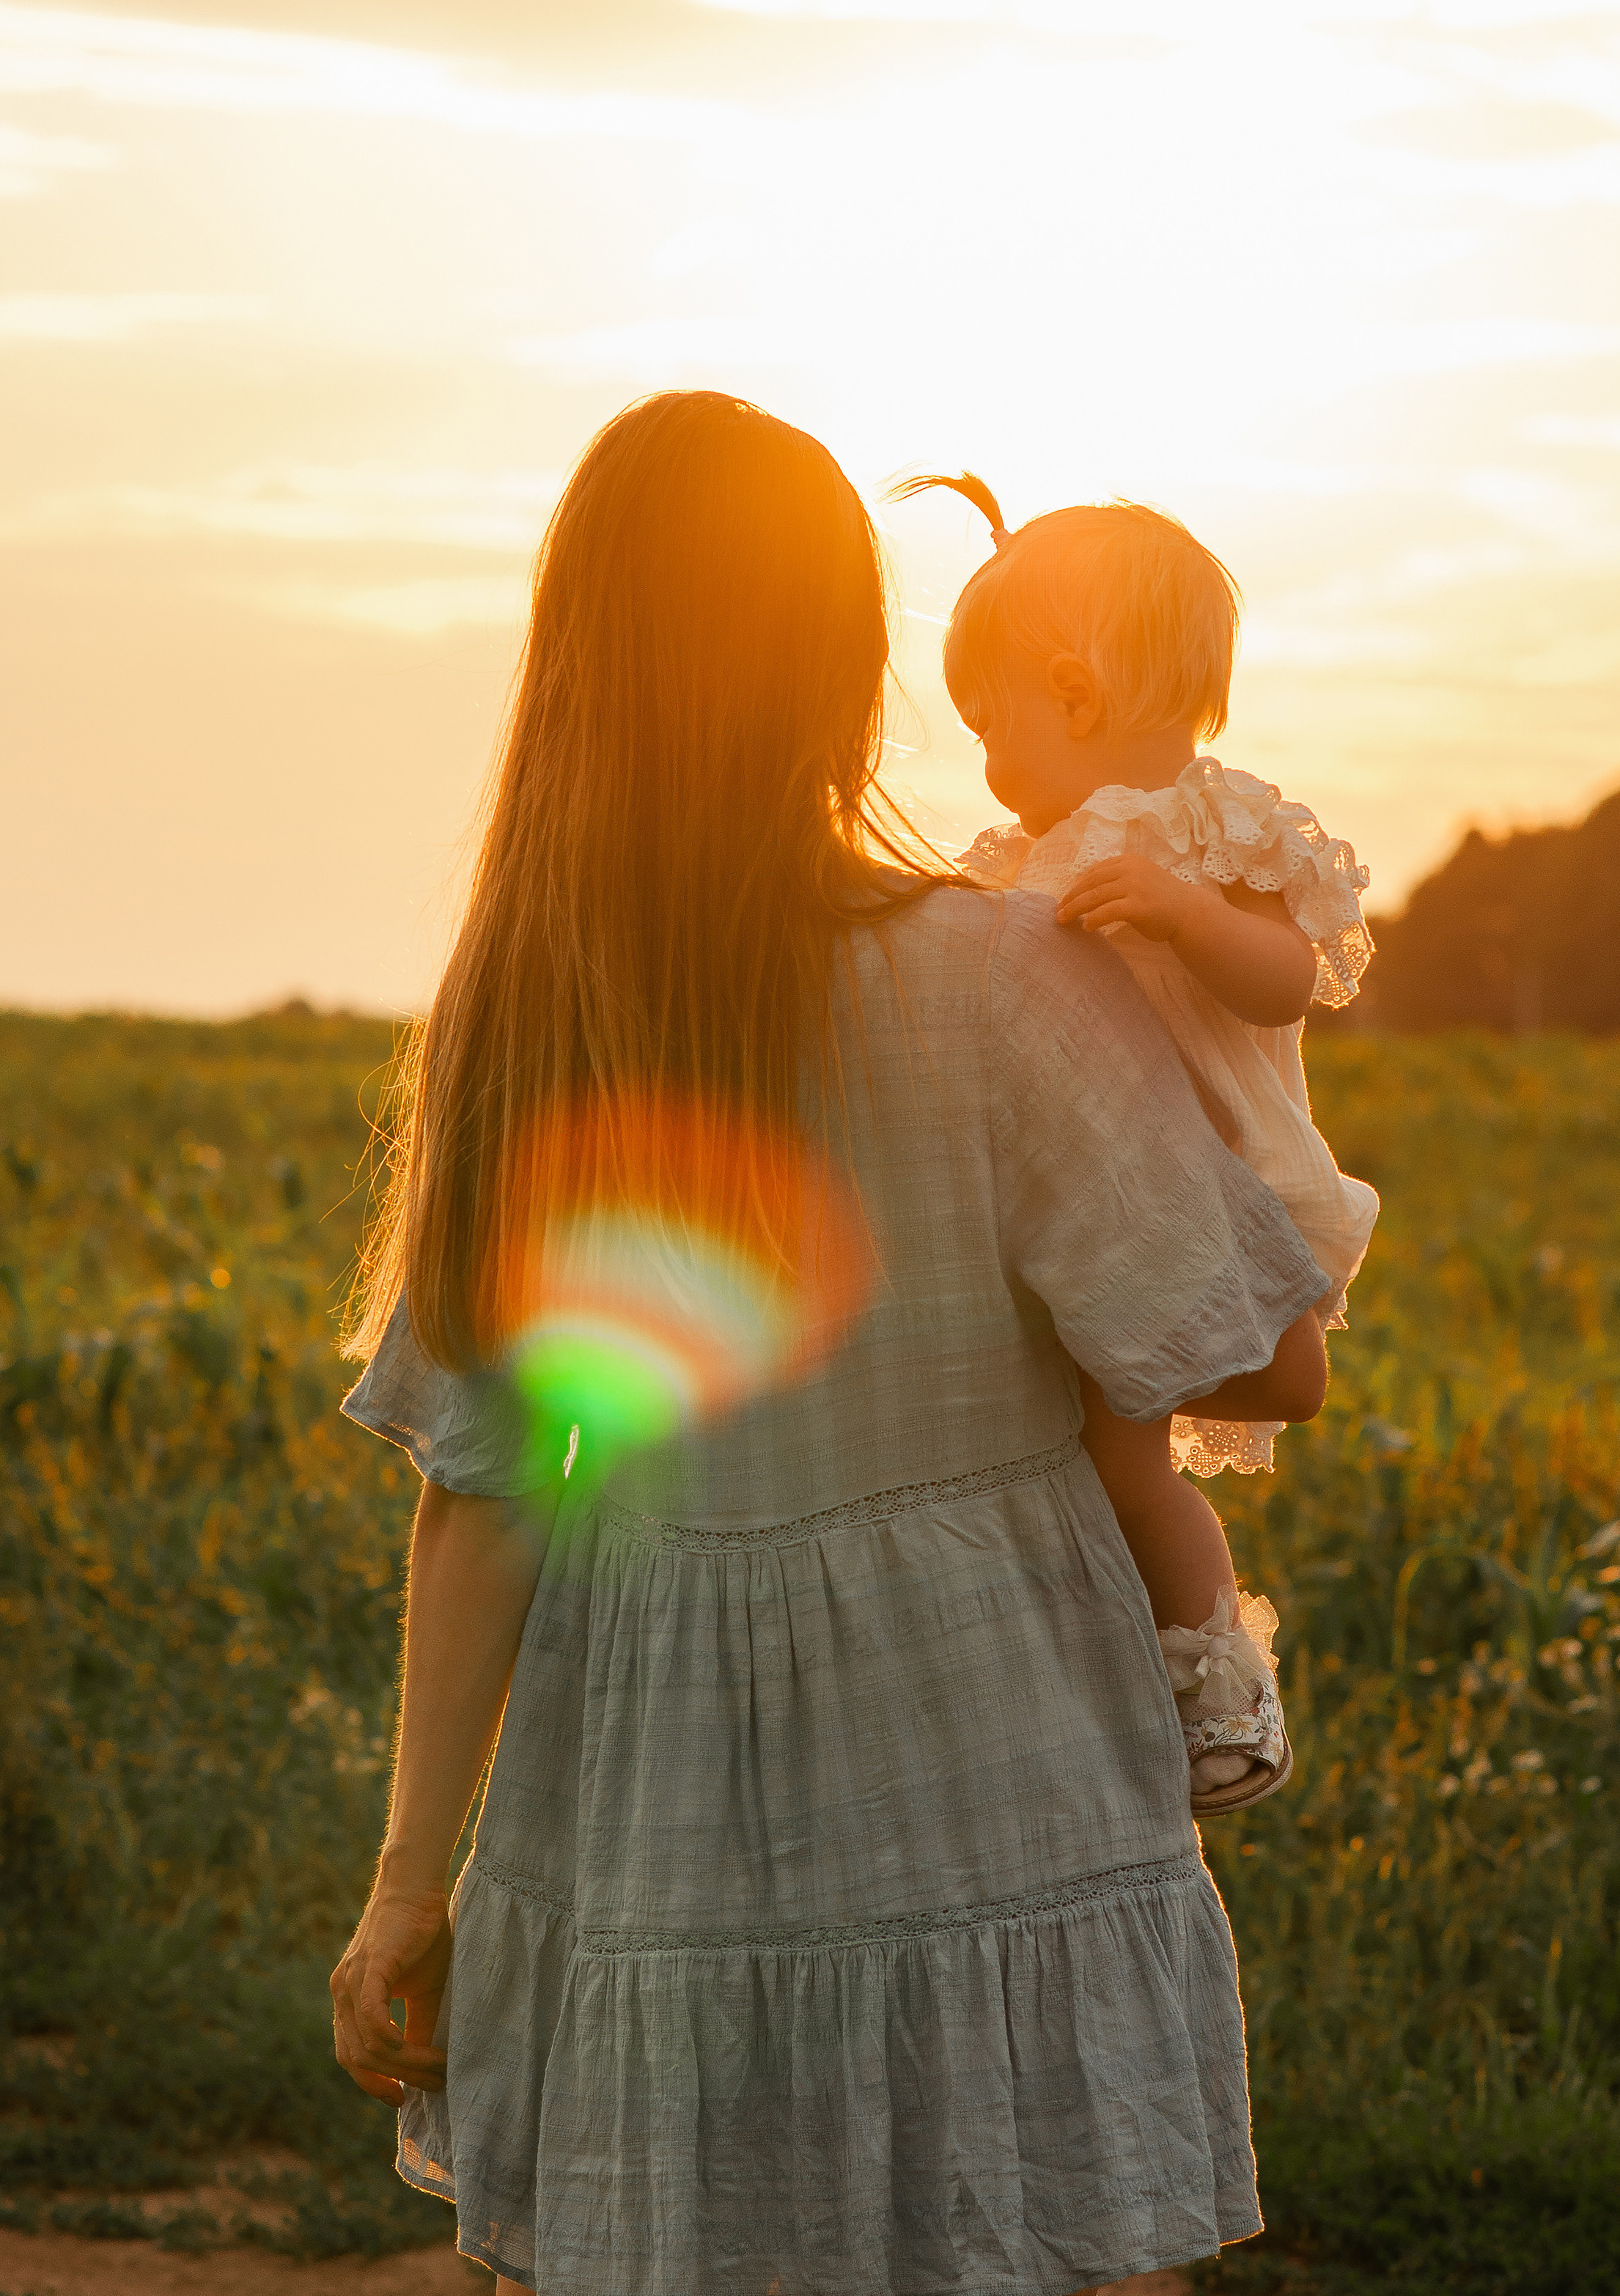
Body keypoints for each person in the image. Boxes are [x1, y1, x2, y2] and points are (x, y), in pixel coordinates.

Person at [329, 392, 1330, 2296]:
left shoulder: (528, 1016)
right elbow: (1273, 1370)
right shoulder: (1002, 976)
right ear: (850, 665)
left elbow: (484, 1493)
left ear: (574, 659)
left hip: (649, 1813)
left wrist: (403, 1890)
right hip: (998, 1779)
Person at [899, 471, 1376, 1814]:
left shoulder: (1219, 831)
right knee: (1085, 1454)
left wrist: (1186, 917)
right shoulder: (1026, 858)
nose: (989, 763)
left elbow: (1289, 981)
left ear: (1072, 693)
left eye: (989, 725)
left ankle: (1223, 1684)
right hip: (1098, 1199)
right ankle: (1124, 1679)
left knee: (1129, 1458)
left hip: (1220, 1190)